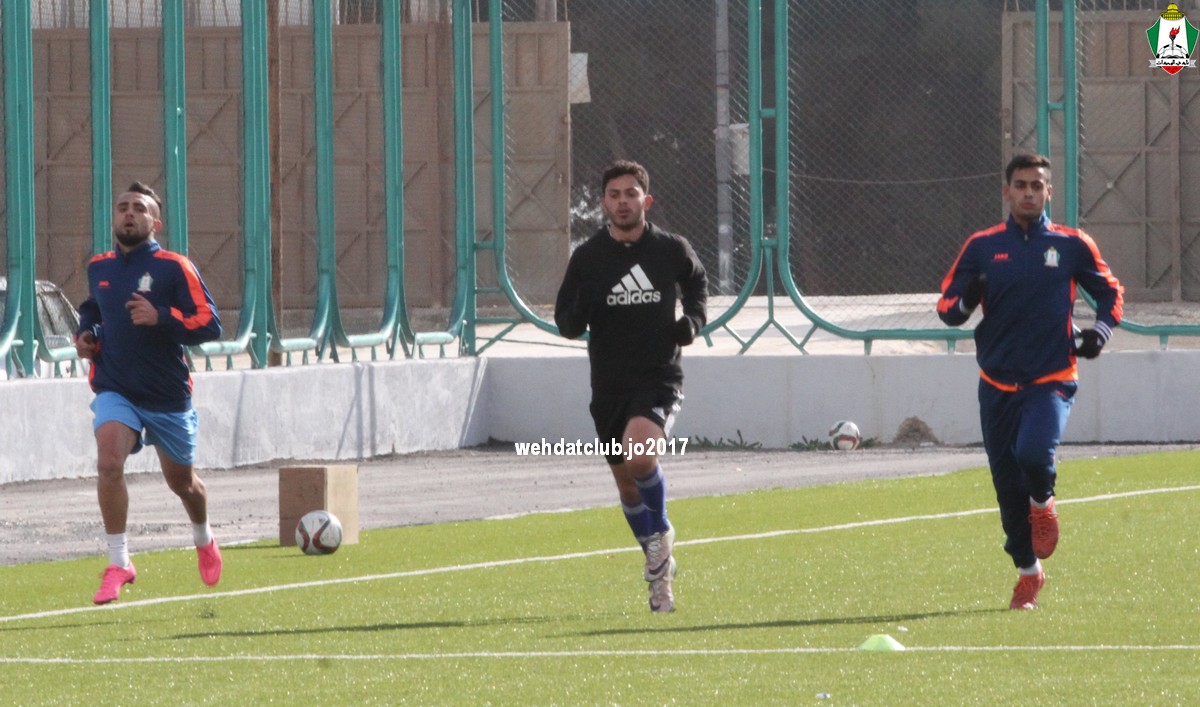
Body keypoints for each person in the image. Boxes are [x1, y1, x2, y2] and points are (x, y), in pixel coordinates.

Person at [937, 153, 1124, 610]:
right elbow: (947, 309)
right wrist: (969, 300)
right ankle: (1028, 572)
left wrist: (1100, 332)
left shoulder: (1071, 244)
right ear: (1007, 192)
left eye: (1037, 186)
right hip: (996, 384)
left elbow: (1111, 293)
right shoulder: (982, 246)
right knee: (1006, 490)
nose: (1028, 193)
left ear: (1048, 192)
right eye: (1020, 185)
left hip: (1051, 378)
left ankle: (1043, 502)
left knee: (1035, 454)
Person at [555, 160, 708, 613]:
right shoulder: (588, 258)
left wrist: (692, 322)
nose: (623, 202)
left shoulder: (670, 249)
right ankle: (661, 574)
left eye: (631, 194)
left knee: (641, 456)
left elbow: (696, 284)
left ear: (647, 200)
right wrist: (582, 310)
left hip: (657, 376)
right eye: (614, 195)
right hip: (609, 384)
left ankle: (660, 539)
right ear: (603, 203)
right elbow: (566, 320)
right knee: (627, 486)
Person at [75, 182, 224, 605]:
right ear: (113, 218)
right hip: (115, 386)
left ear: (154, 223)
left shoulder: (174, 267)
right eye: (122, 207)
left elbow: (210, 324)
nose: (129, 213)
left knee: (184, 484)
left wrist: (161, 316)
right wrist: (86, 333)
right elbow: (94, 308)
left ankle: (203, 536)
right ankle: (119, 562)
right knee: (108, 463)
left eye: (139, 208)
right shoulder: (99, 266)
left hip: (166, 395)